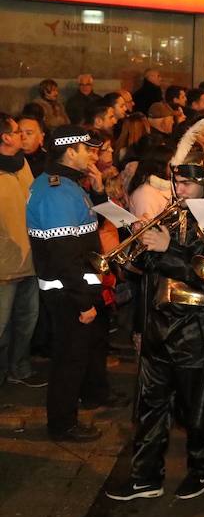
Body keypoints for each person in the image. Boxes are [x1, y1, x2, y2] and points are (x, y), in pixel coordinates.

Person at [105, 145, 204, 502]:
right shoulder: (171, 215)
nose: (181, 189)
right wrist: (139, 247)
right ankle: (145, 476)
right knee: (149, 405)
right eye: (177, 181)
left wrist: (167, 249)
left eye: (189, 183)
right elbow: (145, 273)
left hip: (196, 331)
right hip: (159, 324)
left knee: (195, 409)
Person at [25, 126, 125, 442]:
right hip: (68, 293)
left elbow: (89, 229)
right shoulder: (56, 191)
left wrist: (97, 192)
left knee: (82, 352)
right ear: (71, 151)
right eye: (89, 150)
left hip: (79, 287)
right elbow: (64, 257)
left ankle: (91, 395)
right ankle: (63, 423)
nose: (94, 156)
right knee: (69, 359)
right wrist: (83, 302)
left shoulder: (68, 185)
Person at [0, 114, 41, 388]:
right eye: (18, 132)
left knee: (26, 322)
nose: (22, 137)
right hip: (3, 266)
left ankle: (19, 369)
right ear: (5, 137)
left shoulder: (22, 163)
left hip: (31, 261)